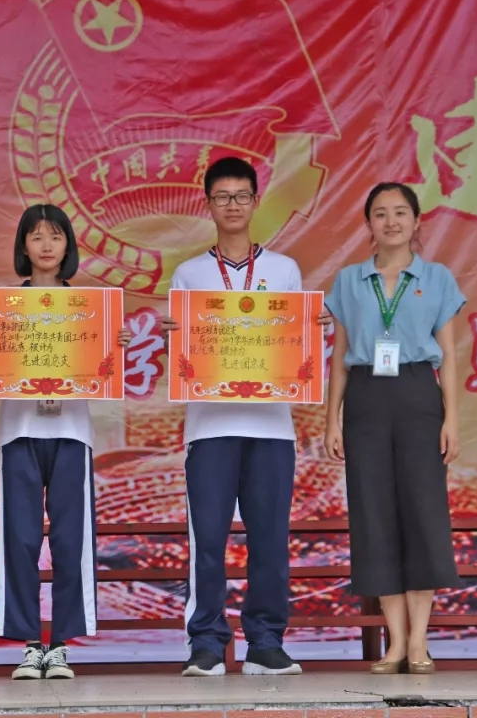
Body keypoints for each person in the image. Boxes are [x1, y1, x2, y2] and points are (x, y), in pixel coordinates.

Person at [161, 156, 332, 677]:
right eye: (222, 197)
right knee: (208, 541)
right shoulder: (189, 274)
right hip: (210, 426)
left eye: (241, 196)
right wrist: (176, 339)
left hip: (271, 426)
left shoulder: (284, 270)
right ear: (208, 205)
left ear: (256, 202)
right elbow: (182, 356)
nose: (232, 205)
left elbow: (294, 346)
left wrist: (310, 331)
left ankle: (265, 642)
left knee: (270, 540)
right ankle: (207, 643)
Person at [0, 204, 130, 680]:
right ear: (23, 246)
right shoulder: (0, 310)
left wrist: (114, 343)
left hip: (72, 432)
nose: (47, 245)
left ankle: (62, 645)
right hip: (19, 431)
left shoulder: (91, 310)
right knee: (21, 537)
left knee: (71, 540)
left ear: (68, 245)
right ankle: (30, 644)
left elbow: (104, 363)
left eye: (56, 236)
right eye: (36, 236)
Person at [322, 182, 465, 676]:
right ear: (368, 224)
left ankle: (420, 639)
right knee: (373, 515)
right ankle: (395, 642)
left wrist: (452, 417)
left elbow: (448, 356)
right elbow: (339, 356)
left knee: (423, 513)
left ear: (417, 221)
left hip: (417, 394)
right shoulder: (349, 280)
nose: (391, 222)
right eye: (380, 214)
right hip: (366, 398)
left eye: (400, 212)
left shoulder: (437, 278)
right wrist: (332, 418)